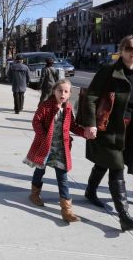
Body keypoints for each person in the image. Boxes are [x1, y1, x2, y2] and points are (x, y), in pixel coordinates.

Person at [80, 35, 133, 232]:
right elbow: (92, 96)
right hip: (108, 128)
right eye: (129, 48)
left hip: (130, 130)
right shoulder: (109, 70)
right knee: (116, 167)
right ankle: (124, 216)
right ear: (121, 50)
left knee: (105, 161)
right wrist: (90, 123)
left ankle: (90, 190)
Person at [24, 79, 87, 222]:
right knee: (40, 170)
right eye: (60, 90)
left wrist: (85, 133)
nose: (62, 94)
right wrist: (43, 135)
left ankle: (66, 211)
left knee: (63, 178)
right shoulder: (46, 105)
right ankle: (34, 194)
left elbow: (73, 126)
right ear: (54, 91)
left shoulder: (68, 108)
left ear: (70, 93)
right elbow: (36, 121)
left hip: (61, 149)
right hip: (45, 147)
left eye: (66, 91)